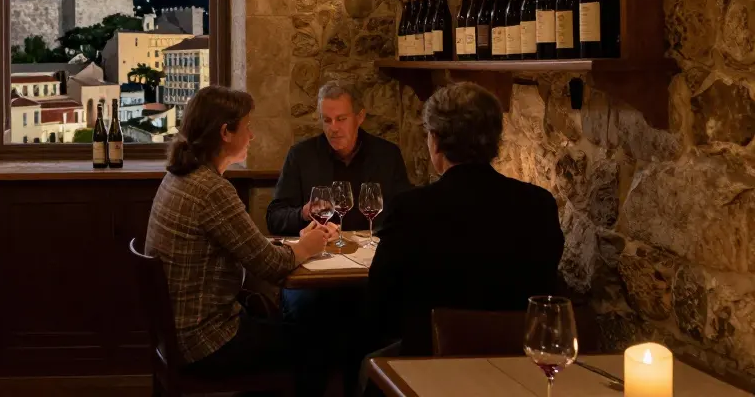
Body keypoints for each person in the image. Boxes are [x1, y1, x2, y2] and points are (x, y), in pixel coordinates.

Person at [144, 85, 336, 397]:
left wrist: (298, 245)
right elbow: (271, 266)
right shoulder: (211, 189)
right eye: (247, 126)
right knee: (315, 344)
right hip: (206, 341)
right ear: (225, 132)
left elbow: (249, 246)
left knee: (288, 328)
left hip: (179, 335)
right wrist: (310, 245)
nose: (252, 135)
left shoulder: (180, 177)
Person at [367, 82, 564, 357]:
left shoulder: (410, 209)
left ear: (435, 140)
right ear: (495, 139)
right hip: (519, 359)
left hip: (429, 363)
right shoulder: (538, 204)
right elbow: (544, 290)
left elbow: (381, 304)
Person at [267, 81, 412, 237]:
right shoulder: (301, 156)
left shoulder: (387, 155)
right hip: (322, 253)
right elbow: (274, 219)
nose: (333, 128)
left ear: (360, 117)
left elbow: (406, 214)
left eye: (341, 119)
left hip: (372, 253)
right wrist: (303, 213)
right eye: (327, 120)